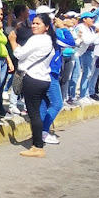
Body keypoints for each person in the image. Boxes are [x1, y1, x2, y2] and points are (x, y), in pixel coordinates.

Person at [8, 13, 55, 158]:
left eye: (38, 24)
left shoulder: (37, 39)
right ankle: (37, 140)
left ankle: (38, 146)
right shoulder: (49, 41)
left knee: (33, 113)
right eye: (33, 23)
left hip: (32, 78)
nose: (34, 26)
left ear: (46, 27)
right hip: (43, 79)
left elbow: (19, 55)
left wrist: (12, 41)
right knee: (36, 113)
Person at [38, 15, 75, 145]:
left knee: (44, 104)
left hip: (44, 74)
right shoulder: (51, 39)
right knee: (57, 103)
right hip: (50, 74)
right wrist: (64, 28)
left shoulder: (41, 38)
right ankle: (43, 131)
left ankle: (40, 132)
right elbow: (71, 43)